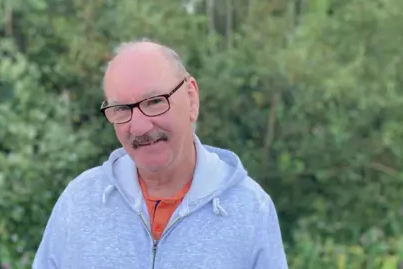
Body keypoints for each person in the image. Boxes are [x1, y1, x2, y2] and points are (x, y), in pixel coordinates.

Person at [32, 39, 288, 269]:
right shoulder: (79, 202)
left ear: (191, 98)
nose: (139, 126)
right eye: (121, 109)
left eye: (155, 102)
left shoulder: (250, 209)